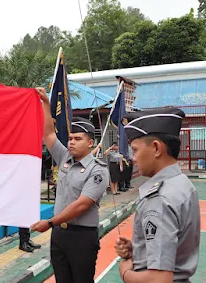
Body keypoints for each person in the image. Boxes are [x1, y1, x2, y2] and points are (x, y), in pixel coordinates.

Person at [31, 88, 109, 283]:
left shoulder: (98, 170)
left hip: (82, 237)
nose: (71, 143)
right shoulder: (65, 157)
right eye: (70, 139)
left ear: (90, 143)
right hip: (60, 235)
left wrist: (49, 223)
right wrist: (46, 104)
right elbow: (49, 134)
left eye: (78, 139)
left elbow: (82, 204)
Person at [114, 108, 200, 282]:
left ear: (156, 148)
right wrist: (140, 251)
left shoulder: (159, 198)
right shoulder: (181, 183)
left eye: (135, 150)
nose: (133, 159)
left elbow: (159, 279)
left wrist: (125, 273)